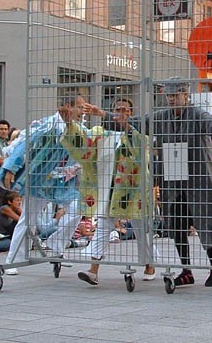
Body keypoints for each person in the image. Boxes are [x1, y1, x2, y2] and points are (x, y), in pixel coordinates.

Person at [105, 78, 212, 287]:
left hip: (199, 180)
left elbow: (211, 122)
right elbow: (138, 122)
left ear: (186, 95)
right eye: (169, 96)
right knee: (177, 225)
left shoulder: (196, 114)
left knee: (206, 223)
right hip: (173, 182)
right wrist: (106, 115)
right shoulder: (162, 117)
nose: (172, 99)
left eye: (176, 95)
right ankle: (187, 270)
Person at [69, 97, 156, 286]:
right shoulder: (101, 132)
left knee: (141, 229)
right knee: (103, 226)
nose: (121, 113)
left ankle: (150, 264)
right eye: (117, 109)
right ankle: (93, 270)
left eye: (125, 110)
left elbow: (141, 153)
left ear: (131, 113)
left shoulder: (139, 132)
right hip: (108, 189)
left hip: (133, 190)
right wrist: (70, 124)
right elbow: (83, 144)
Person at [0, 95, 84, 275]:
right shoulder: (46, 124)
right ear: (68, 107)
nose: (82, 111)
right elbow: (24, 144)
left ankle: (57, 243)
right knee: (27, 220)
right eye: (80, 107)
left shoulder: (79, 129)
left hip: (63, 182)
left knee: (78, 208)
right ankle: (13, 260)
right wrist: (10, 168)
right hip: (39, 180)